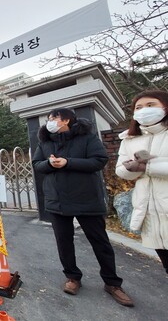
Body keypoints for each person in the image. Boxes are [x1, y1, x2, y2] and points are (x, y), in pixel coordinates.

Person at [32, 108, 133, 307]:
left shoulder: (87, 138)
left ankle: (112, 282)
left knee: (99, 241)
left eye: (54, 118)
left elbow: (99, 161)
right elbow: (37, 164)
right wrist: (50, 164)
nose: (50, 122)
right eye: (49, 119)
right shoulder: (45, 141)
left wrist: (68, 162)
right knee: (64, 241)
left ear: (67, 120)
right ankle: (72, 277)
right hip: (57, 199)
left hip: (86, 198)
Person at [115, 89, 168, 275]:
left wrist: (149, 167)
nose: (144, 110)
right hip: (149, 212)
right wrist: (132, 168)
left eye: (150, 105)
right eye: (138, 107)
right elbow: (120, 170)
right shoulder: (129, 139)